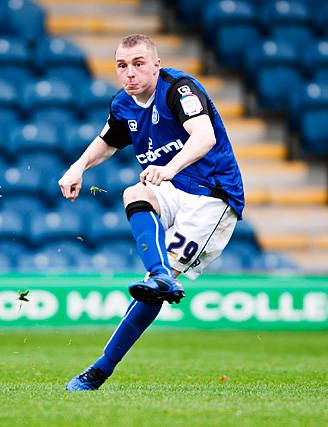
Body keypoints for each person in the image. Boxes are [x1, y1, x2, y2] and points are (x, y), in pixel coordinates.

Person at [58, 34, 244, 391]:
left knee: (152, 289)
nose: (130, 73)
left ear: (156, 65)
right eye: (122, 66)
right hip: (174, 189)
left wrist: (170, 169)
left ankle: (101, 368)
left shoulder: (179, 89)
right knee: (134, 193)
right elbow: (107, 141)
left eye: (139, 63)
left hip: (212, 198)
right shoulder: (123, 104)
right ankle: (160, 275)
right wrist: (78, 167)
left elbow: (203, 137)